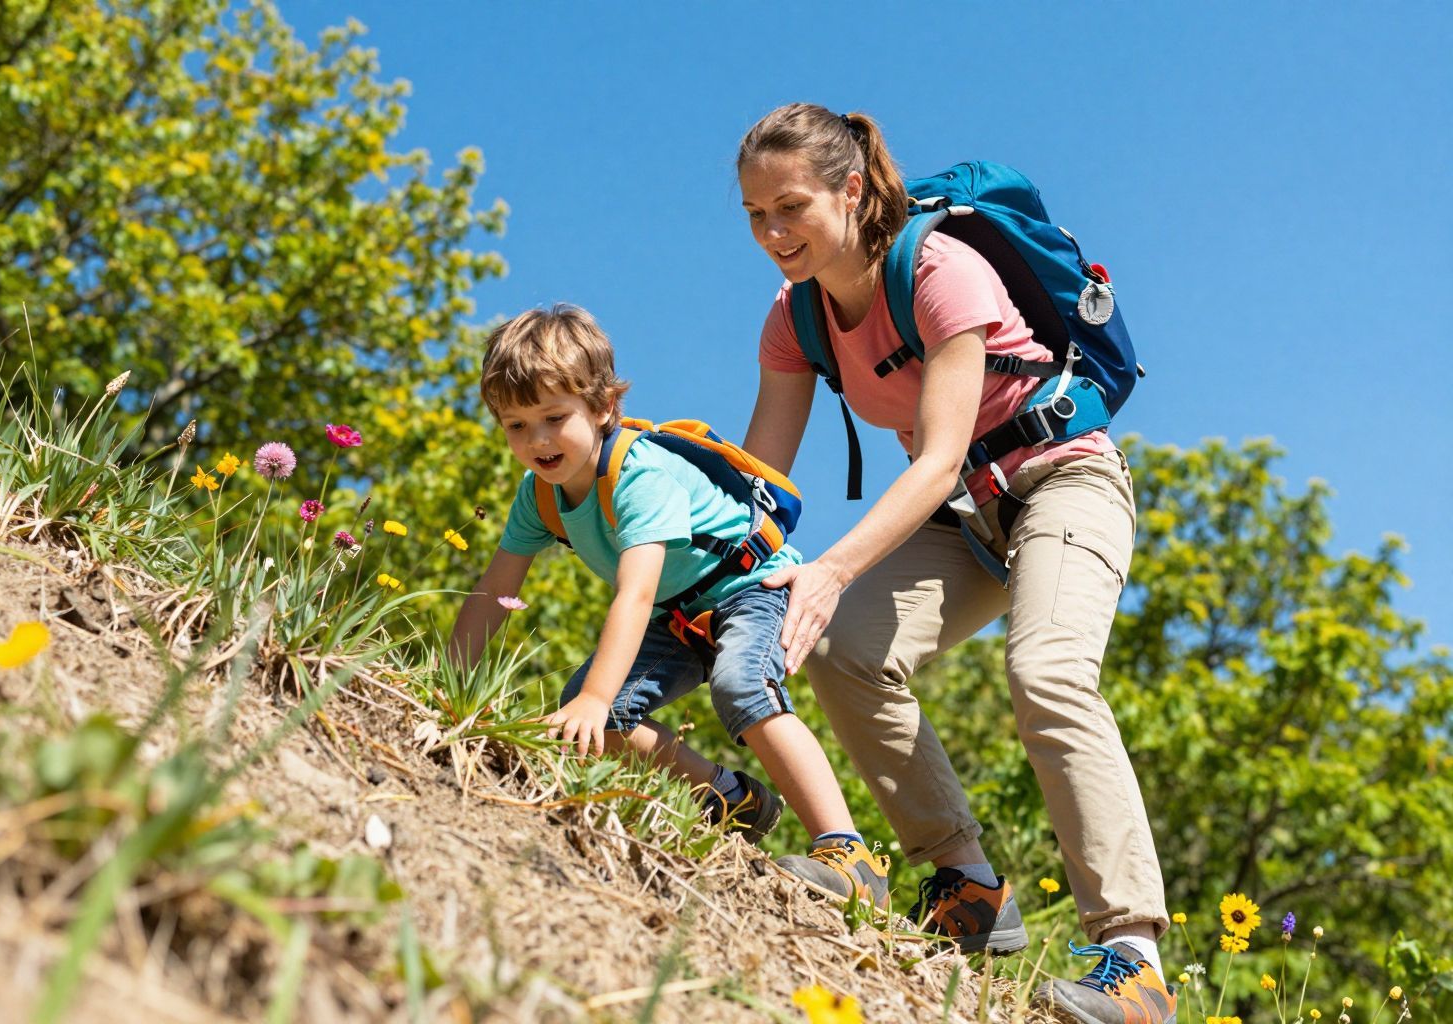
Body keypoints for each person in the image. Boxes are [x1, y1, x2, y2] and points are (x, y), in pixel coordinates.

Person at [735, 103, 1176, 1024]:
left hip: (1063, 479)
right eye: (754, 215)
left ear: (852, 190)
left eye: (792, 207)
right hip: (963, 518)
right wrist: (708, 571)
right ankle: (966, 887)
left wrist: (827, 571)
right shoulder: (796, 319)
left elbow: (936, 454)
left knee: (1047, 673)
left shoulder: (939, 267)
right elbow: (761, 484)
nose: (773, 233)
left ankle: (1133, 960)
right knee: (841, 645)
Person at [448, 303, 889, 908]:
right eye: (516, 426)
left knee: (740, 686)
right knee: (595, 725)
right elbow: (493, 594)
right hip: (676, 615)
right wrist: (450, 687)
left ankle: (849, 854)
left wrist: (598, 695)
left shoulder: (639, 476)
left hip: (749, 588)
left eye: (554, 417)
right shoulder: (540, 497)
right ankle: (728, 799)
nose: (538, 441)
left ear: (602, 407)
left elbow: (636, 591)